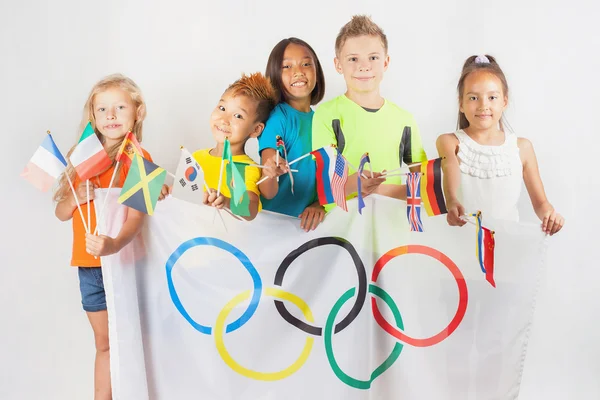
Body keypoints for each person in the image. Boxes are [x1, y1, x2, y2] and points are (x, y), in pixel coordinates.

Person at [54, 74, 152, 399]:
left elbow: (137, 219)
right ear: (93, 117)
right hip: (89, 267)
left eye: (120, 107)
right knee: (104, 342)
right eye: (102, 109)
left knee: (132, 338)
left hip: (126, 264)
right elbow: (61, 213)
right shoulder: (84, 158)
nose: (110, 115)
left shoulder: (142, 160)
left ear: (137, 112)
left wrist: (113, 244)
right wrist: (74, 199)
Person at [436, 54, 564, 235]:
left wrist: (551, 216)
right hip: (461, 246)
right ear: (461, 104)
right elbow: (450, 169)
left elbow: (541, 204)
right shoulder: (449, 142)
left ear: (504, 101)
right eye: (473, 98)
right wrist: (452, 201)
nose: (483, 105)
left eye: (492, 97)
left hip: (506, 245)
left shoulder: (522, 148)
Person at [312, 14, 428, 206]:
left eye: (373, 57)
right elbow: (326, 188)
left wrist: (377, 190)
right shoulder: (326, 115)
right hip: (343, 227)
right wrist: (356, 184)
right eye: (353, 59)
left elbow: (425, 183)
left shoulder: (404, 120)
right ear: (338, 65)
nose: (364, 66)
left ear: (385, 62)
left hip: (391, 223)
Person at [258, 37, 326, 231]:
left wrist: (320, 203)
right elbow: (267, 186)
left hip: (308, 229)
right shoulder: (278, 118)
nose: (298, 72)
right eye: (286, 67)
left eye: (306, 64)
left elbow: (330, 177)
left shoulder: (324, 120)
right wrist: (269, 171)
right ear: (274, 75)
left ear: (317, 73)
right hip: (274, 227)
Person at [193, 72, 278, 221]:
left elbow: (251, 209)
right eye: (222, 108)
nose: (224, 119)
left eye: (238, 116)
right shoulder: (195, 158)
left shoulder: (244, 167)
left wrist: (226, 201)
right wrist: (164, 191)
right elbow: (180, 196)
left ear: (256, 130)